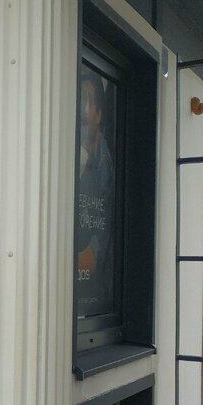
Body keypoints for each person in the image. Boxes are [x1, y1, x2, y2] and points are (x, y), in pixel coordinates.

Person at [76, 73, 115, 316]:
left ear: (99, 115)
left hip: (95, 294)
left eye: (87, 101)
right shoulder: (82, 158)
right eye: (79, 100)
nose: (82, 109)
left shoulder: (103, 166)